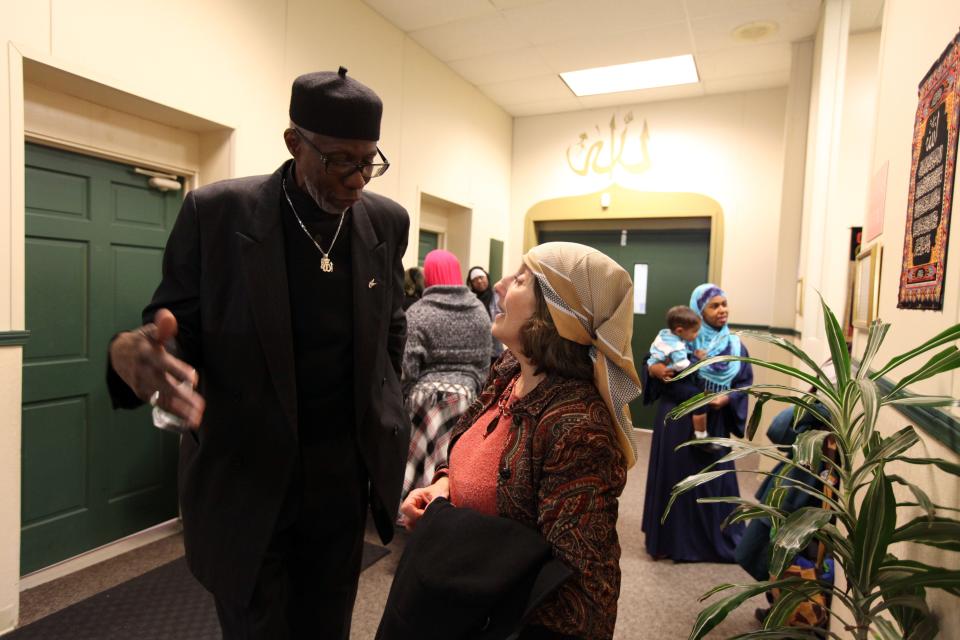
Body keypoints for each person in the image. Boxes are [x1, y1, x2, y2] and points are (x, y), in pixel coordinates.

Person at [105, 67, 410, 639]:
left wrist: (384, 410)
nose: (356, 179)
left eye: (369, 160)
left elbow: (391, 330)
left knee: (328, 627)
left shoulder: (386, 223)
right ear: (294, 143)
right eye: (340, 159)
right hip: (246, 481)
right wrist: (131, 356)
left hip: (341, 488)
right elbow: (171, 329)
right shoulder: (216, 214)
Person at [399, 242, 642, 640]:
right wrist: (443, 484)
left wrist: (449, 523)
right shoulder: (511, 372)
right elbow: (470, 448)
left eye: (521, 279)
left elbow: (576, 595)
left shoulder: (578, 428)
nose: (498, 285)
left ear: (554, 313)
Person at [641, 283, 754, 563]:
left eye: (724, 304)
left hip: (712, 426)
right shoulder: (682, 336)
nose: (722, 310)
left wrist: (725, 400)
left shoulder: (735, 346)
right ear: (699, 310)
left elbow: (743, 384)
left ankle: (712, 542)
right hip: (677, 422)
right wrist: (652, 370)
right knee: (676, 483)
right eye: (714, 305)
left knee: (710, 483)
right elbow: (653, 361)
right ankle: (671, 542)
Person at [401, 249, 491, 502]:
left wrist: (404, 396)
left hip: (424, 400)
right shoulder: (479, 310)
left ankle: (414, 501)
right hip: (467, 397)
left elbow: (408, 368)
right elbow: (485, 363)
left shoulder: (418, 312)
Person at [647, 305, 708, 438]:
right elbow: (683, 366)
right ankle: (701, 435)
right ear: (679, 330)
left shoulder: (665, 333)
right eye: (695, 331)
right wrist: (699, 360)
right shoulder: (677, 347)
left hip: (672, 381)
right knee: (698, 399)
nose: (697, 335)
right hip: (672, 388)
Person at [467, 265, 504, 361]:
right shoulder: (470, 300)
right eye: (475, 280)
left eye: (481, 277)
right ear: (471, 283)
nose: (479, 281)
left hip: (495, 350)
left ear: (486, 277)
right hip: (475, 351)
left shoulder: (497, 296)